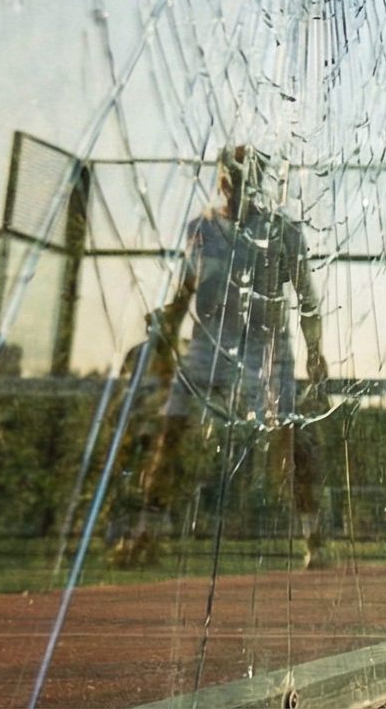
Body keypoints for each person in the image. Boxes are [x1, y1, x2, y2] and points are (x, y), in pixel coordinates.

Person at [116, 146, 330, 569]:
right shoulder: (201, 228)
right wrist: (165, 333)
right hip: (207, 348)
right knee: (170, 436)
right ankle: (146, 535)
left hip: (267, 349)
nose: (230, 181)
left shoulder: (282, 231)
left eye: (239, 173)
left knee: (287, 446)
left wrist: (315, 352)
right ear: (219, 180)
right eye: (225, 174)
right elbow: (185, 292)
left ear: (256, 179)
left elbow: (306, 297)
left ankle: (314, 538)